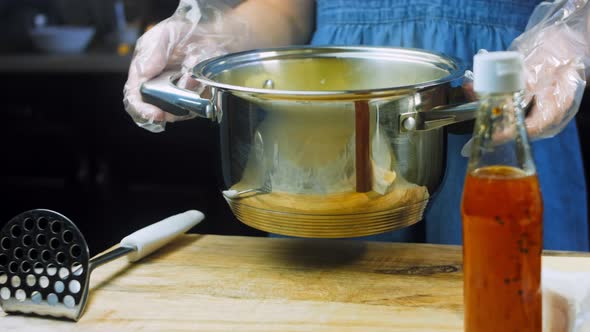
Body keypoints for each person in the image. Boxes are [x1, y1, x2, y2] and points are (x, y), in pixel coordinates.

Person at [123, 0, 590, 251]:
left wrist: (573, 32)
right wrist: (215, 37)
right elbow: (287, 8)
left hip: (512, 90)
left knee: (520, 298)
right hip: (329, 113)